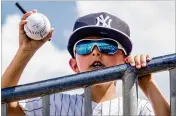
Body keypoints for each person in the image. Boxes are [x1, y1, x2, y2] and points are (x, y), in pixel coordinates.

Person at [1, 10, 170, 116]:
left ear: (126, 60)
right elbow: (6, 107)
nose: (96, 52)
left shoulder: (138, 108)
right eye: (85, 47)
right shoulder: (56, 104)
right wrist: (25, 51)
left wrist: (146, 83)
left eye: (107, 46)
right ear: (74, 65)